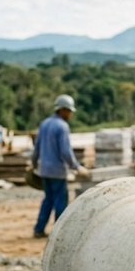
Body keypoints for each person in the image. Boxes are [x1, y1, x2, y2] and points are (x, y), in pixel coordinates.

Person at [32, 94, 89, 239]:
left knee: (48, 200)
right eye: (69, 111)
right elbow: (65, 151)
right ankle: (59, 234)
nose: (70, 114)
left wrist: (34, 164)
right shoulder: (62, 127)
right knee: (60, 201)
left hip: (44, 170)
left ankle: (38, 229)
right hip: (57, 171)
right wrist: (76, 167)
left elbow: (37, 147)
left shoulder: (44, 124)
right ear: (62, 110)